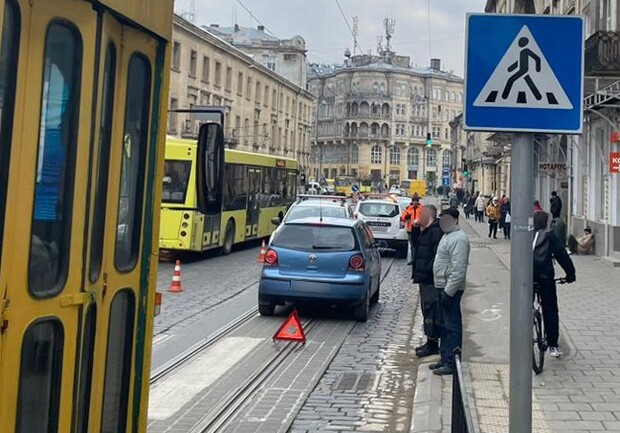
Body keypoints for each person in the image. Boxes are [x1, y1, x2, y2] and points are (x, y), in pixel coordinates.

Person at [429, 207, 470, 375]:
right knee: (445, 325)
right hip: (442, 286)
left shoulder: (459, 239)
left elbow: (459, 269)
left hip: (449, 288)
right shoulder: (448, 236)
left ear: (455, 220)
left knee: (452, 326)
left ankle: (452, 362)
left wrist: (449, 291)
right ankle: (445, 357)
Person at [533, 212, 576, 358]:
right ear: (547, 223)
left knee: (523, 307)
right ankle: (553, 345)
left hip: (527, 278)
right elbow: (562, 256)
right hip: (545, 277)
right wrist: (570, 275)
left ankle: (522, 339)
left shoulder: (526, 234)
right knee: (550, 308)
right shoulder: (550, 236)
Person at [411, 205, 444, 358]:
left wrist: (427, 269)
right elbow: (416, 245)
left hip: (430, 279)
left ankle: (433, 344)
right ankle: (430, 341)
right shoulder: (426, 230)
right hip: (424, 278)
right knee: (427, 310)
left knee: (431, 310)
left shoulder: (435, 231)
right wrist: (416, 228)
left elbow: (437, 256)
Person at [401, 194, 424, 265]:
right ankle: (413, 259)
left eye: (416, 201)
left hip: (419, 229)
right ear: (412, 201)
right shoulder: (408, 208)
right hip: (410, 229)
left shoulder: (422, 208)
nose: (415, 202)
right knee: (412, 245)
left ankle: (417, 259)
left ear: (418, 201)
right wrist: (406, 217)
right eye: (414, 201)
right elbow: (403, 217)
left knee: (419, 245)